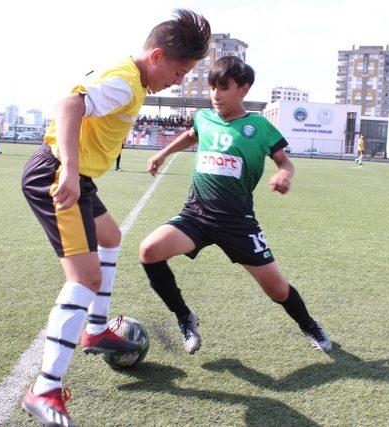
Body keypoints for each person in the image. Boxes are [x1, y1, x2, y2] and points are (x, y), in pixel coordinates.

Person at [20, 10, 211, 426]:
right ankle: (44, 389)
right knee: (84, 279)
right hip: (57, 175)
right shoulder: (125, 79)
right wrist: (69, 169)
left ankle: (95, 328)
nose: (179, 80)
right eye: (179, 71)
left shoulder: (136, 80)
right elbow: (70, 104)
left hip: (80, 179)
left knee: (111, 237)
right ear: (157, 55)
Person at [139, 56, 332, 360]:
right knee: (149, 251)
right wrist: (161, 154)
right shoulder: (204, 118)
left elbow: (285, 161)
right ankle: (184, 316)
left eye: (223, 87)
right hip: (196, 215)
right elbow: (191, 136)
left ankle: (309, 325)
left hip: (238, 223)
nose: (216, 94)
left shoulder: (259, 126)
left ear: (243, 89)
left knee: (277, 291)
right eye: (212, 87)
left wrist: (283, 173)